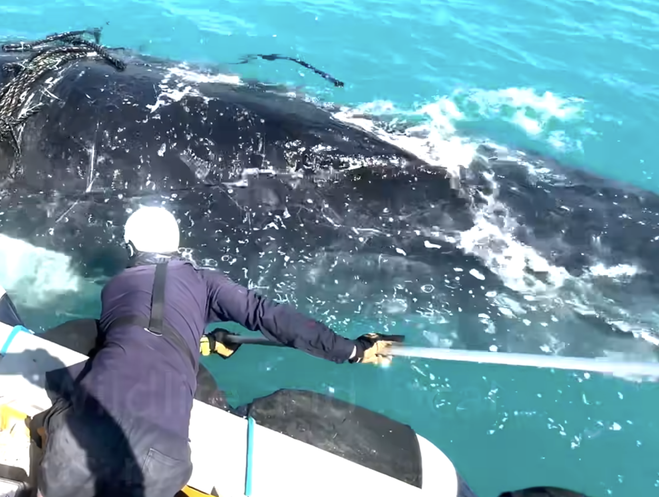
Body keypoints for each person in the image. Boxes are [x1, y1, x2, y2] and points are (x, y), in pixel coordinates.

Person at [34, 204, 403, 497]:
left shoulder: (115, 287)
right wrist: (351, 350)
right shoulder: (205, 281)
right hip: (162, 462)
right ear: (176, 247)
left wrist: (199, 340)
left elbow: (142, 330)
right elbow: (270, 316)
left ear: (131, 248)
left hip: (84, 437)